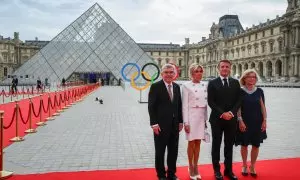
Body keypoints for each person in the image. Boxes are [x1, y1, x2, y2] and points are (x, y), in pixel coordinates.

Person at [207, 59, 242, 180]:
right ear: (219, 68)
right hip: (217, 119)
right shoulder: (212, 83)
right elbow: (210, 101)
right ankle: (217, 171)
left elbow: (239, 100)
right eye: (222, 67)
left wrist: (231, 113)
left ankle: (228, 170)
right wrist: (223, 113)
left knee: (229, 146)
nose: (225, 69)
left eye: (227, 67)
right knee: (216, 145)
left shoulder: (235, 83)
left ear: (230, 68)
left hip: (231, 119)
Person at [148, 63, 183, 180]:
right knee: (160, 151)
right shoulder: (155, 87)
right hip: (160, 126)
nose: (169, 75)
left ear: (174, 74)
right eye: (166, 72)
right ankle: (161, 174)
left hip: (174, 126)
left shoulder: (177, 87)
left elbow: (179, 106)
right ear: (162, 74)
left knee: (173, 151)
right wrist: (154, 124)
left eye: (171, 72)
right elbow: (151, 107)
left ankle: (172, 173)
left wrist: (180, 121)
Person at [235, 69, 267, 177]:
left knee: (256, 145)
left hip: (257, 121)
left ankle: (252, 166)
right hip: (244, 121)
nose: (252, 79)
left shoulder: (259, 91)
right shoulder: (240, 91)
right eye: (249, 77)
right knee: (244, 144)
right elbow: (238, 108)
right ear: (244, 78)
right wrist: (240, 121)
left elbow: (263, 107)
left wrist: (264, 121)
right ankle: (244, 165)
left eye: (254, 77)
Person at [182, 63, 208, 180]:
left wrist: (206, 119)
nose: (199, 73)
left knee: (198, 142)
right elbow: (184, 106)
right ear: (192, 73)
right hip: (191, 116)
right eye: (196, 71)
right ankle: (190, 166)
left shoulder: (205, 85)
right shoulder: (186, 86)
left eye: (200, 71)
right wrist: (186, 122)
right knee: (191, 142)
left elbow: (207, 104)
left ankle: (196, 165)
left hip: (201, 117)